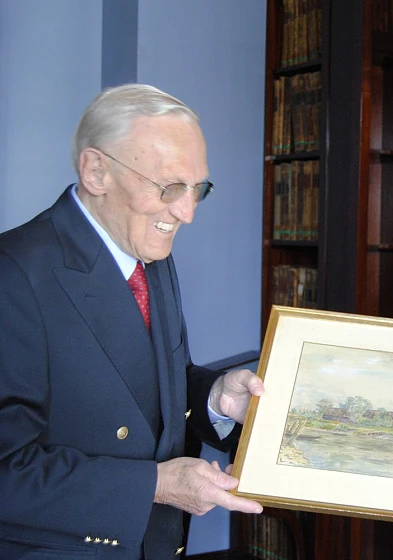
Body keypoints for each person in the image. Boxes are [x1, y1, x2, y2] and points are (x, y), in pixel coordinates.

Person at [0, 84, 265, 559]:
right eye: (168, 187)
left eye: (197, 188)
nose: (186, 212)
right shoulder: (13, 274)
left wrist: (216, 398)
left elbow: (147, 392)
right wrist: (154, 485)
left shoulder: (150, 254)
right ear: (96, 170)